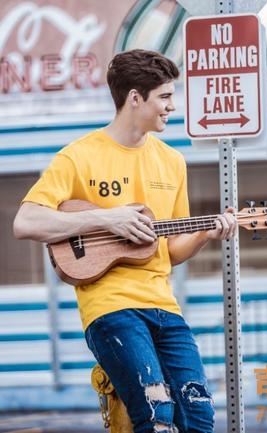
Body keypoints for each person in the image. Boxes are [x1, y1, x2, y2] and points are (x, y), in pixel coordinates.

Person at [13, 49, 235, 433]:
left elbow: (171, 249)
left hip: (164, 305)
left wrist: (205, 233)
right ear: (135, 98)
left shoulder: (172, 161)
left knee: (198, 415)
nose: (171, 105)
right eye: (164, 96)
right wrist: (106, 217)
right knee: (156, 413)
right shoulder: (78, 157)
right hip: (110, 307)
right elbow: (25, 221)